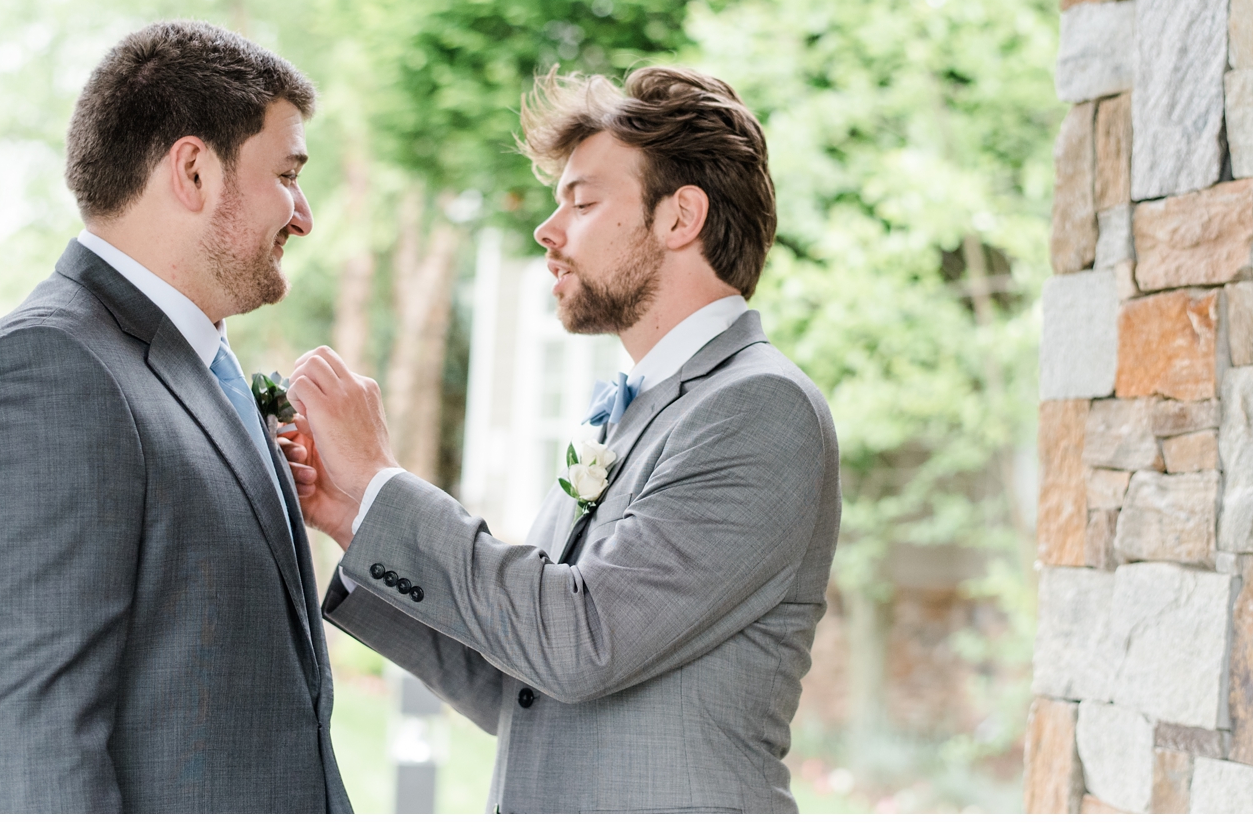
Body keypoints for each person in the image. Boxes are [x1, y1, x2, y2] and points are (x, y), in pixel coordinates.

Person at [285, 66, 841, 813]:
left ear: (680, 218)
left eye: (582, 202)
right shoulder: (626, 411)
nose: (548, 233)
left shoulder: (759, 409)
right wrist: (351, 513)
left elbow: (577, 642)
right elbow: (525, 684)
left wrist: (384, 479)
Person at [0, 21, 350, 813]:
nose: (304, 214)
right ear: (193, 170)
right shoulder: (48, 377)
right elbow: (21, 764)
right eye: (287, 174)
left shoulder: (187, 369)